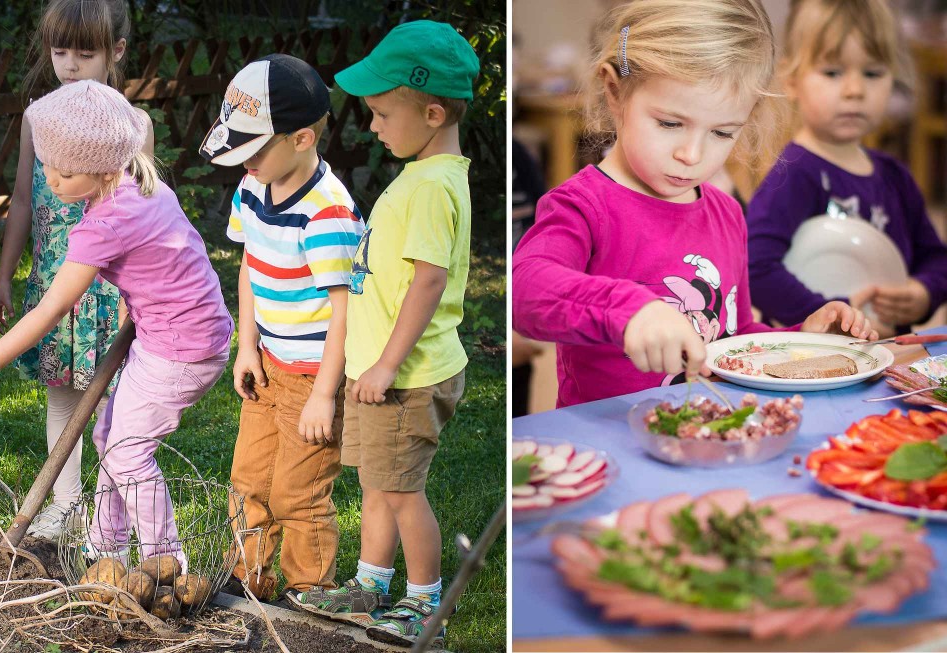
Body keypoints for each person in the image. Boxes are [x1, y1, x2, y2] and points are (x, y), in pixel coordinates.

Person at [511, 0, 876, 409]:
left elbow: (727, 339)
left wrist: (800, 340)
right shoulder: (582, 205)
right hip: (606, 446)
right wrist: (631, 311)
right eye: (670, 123)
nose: (692, 154)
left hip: (706, 436)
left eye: (722, 132)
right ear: (615, 93)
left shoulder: (727, 212)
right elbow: (526, 291)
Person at [0, 80, 232, 568]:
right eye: (46, 166)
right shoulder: (141, 184)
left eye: (62, 171)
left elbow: (53, 307)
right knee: (107, 438)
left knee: (127, 454)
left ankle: (167, 565)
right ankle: (106, 552)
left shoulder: (106, 223)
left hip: (181, 347)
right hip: (169, 332)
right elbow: (167, 260)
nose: (51, 180)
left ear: (101, 166)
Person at [286, 20, 477, 648]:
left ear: (429, 110)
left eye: (381, 114)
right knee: (376, 482)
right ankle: (371, 584)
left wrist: (387, 365)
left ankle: (425, 602)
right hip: (381, 374)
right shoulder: (425, 175)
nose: (372, 126)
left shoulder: (430, 186)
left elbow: (428, 282)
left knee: (401, 491)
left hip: (406, 377)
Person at [197, 54, 364, 603]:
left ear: (301, 138)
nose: (242, 163)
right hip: (269, 364)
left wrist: (322, 396)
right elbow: (250, 266)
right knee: (247, 479)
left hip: (315, 374)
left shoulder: (326, 214)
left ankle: (310, 592)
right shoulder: (252, 189)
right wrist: (248, 347)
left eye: (253, 149)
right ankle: (249, 579)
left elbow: (347, 312)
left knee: (298, 492)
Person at [0, 0, 154, 542]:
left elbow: (147, 213)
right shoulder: (39, 118)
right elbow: (19, 200)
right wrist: (6, 276)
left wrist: (139, 298)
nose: (71, 64)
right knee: (62, 398)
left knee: (110, 408)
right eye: (61, 51)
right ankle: (64, 509)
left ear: (116, 52)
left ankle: (110, 520)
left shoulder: (133, 126)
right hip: (53, 288)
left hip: (109, 290)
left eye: (86, 53)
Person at [746, 0, 947, 335]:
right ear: (792, 80)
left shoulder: (895, 176)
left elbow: (936, 258)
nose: (855, 90)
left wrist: (924, 292)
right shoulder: (793, 173)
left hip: (886, 358)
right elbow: (756, 267)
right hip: (808, 360)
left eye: (872, 73)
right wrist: (829, 315)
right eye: (833, 72)